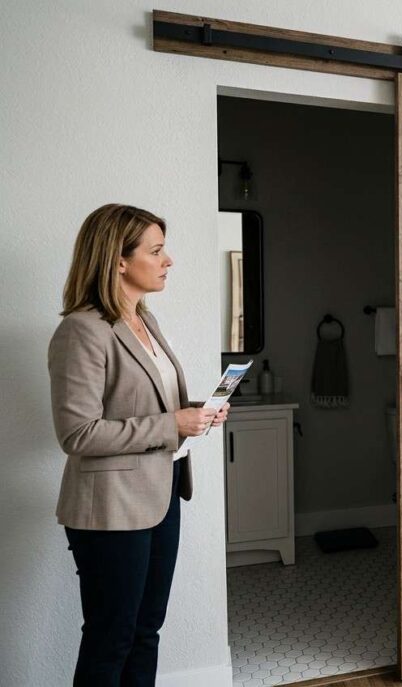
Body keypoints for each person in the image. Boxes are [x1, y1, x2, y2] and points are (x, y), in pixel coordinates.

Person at [48, 204, 228, 686]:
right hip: (109, 510)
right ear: (118, 260)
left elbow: (145, 403)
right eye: (156, 250)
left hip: (162, 494)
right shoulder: (82, 330)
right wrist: (172, 423)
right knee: (112, 637)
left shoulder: (145, 322)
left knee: (147, 631)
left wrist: (195, 412)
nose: (168, 260)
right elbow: (78, 433)